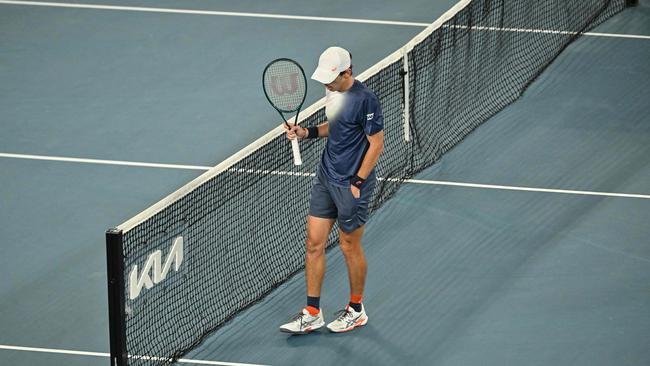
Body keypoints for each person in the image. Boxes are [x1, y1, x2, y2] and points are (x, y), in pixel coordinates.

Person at [279, 46, 384, 334]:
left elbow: (376, 144)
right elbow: (335, 126)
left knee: (349, 246)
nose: (326, 83)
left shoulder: (366, 100)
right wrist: (307, 132)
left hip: (352, 184)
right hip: (326, 178)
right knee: (313, 244)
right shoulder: (332, 92)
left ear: (347, 72)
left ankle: (356, 309)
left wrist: (359, 182)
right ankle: (313, 312)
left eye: (332, 78)